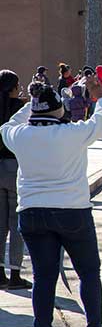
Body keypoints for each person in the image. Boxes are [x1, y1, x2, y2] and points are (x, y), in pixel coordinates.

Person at [0, 76, 102, 327]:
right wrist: (100, 95)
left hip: (32, 213)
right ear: (57, 111)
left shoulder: (20, 136)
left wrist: (32, 102)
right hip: (72, 211)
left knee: (44, 278)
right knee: (89, 274)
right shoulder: (74, 133)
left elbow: (6, 125)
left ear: (34, 111)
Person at [0, 70, 31, 291]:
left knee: (0, 226)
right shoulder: (19, 110)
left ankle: (0, 273)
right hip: (14, 166)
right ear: (11, 88)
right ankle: (15, 275)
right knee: (15, 224)